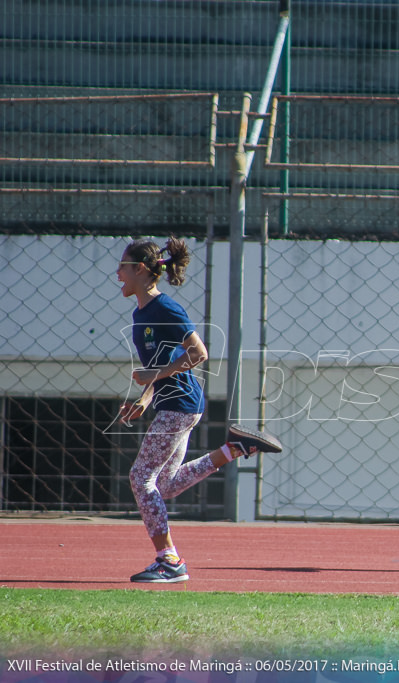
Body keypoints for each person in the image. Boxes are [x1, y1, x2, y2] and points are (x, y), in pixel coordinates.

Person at [116, 236, 283, 583]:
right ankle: (235, 447)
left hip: (180, 405)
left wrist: (154, 375)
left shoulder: (166, 309)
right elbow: (159, 366)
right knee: (166, 485)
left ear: (141, 270)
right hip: (176, 404)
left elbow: (198, 354)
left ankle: (170, 560)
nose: (118, 273)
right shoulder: (140, 315)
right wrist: (143, 401)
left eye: (123, 266)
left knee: (140, 478)